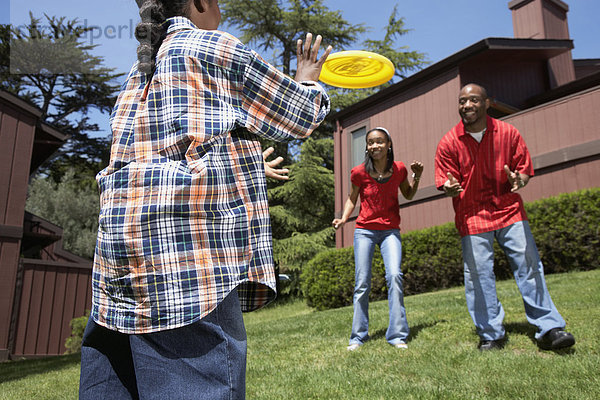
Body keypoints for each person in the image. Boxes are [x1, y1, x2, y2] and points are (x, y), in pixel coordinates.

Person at [79, 0, 332, 398]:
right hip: (185, 269)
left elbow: (163, 159)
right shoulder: (213, 47)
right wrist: (308, 79)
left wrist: (244, 164)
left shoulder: (137, 75)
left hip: (118, 272)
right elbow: (300, 113)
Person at [434, 83, 575, 351]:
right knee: (479, 276)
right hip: (472, 216)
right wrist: (449, 188)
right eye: (462, 101)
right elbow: (446, 181)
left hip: (509, 210)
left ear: (487, 103)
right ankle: (491, 334)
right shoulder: (449, 142)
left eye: (474, 100)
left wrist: (519, 181)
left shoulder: (508, 133)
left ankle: (549, 328)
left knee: (529, 268)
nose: (467, 105)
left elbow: (523, 170)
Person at [332, 127, 423, 351]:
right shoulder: (359, 172)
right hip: (365, 231)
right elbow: (352, 199)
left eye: (380, 142)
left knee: (394, 276)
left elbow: (409, 194)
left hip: (390, 231)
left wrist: (417, 176)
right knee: (362, 283)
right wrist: (344, 218)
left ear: (389, 144)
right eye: (371, 143)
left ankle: (397, 335)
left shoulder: (399, 169)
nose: (375, 146)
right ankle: (358, 336)